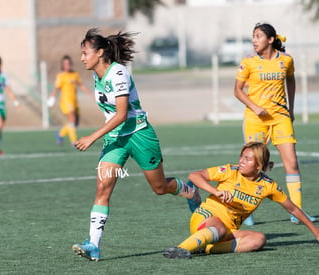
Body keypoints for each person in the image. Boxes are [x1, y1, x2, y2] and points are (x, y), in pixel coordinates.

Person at [71, 28, 197, 261]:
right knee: (102, 187)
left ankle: (190, 192)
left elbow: (120, 115)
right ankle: (93, 245)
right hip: (116, 139)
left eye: (85, 53)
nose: (82, 58)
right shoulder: (95, 76)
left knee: (159, 187)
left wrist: (91, 137)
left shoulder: (118, 73)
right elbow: (113, 118)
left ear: (100, 53)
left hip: (139, 134)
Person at [163, 142, 319, 259]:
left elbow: (293, 209)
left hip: (228, 231)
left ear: (259, 166)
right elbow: (194, 176)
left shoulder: (268, 186)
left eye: (247, 159)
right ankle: (180, 249)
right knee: (220, 228)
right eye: (242, 157)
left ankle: (206, 248)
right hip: (205, 218)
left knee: (258, 240)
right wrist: (215, 192)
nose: (242, 161)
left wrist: (316, 232)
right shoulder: (231, 171)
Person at [234, 22, 315, 225]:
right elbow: (237, 91)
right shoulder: (248, 62)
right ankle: (245, 212)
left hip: (280, 118)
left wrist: (291, 108)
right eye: (253, 36)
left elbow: (291, 81)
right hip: (256, 120)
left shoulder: (286, 60)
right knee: (252, 167)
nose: (254, 40)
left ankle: (298, 213)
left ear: (270, 40)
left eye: (258, 36)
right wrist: (254, 107)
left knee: (292, 164)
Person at [48, 55, 92, 146]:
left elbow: (81, 85)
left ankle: (60, 134)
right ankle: (74, 141)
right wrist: (51, 99)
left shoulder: (75, 74)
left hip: (74, 102)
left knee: (75, 123)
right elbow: (56, 88)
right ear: (62, 65)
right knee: (72, 120)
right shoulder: (61, 76)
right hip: (65, 102)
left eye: (68, 63)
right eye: (65, 64)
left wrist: (91, 94)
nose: (67, 65)